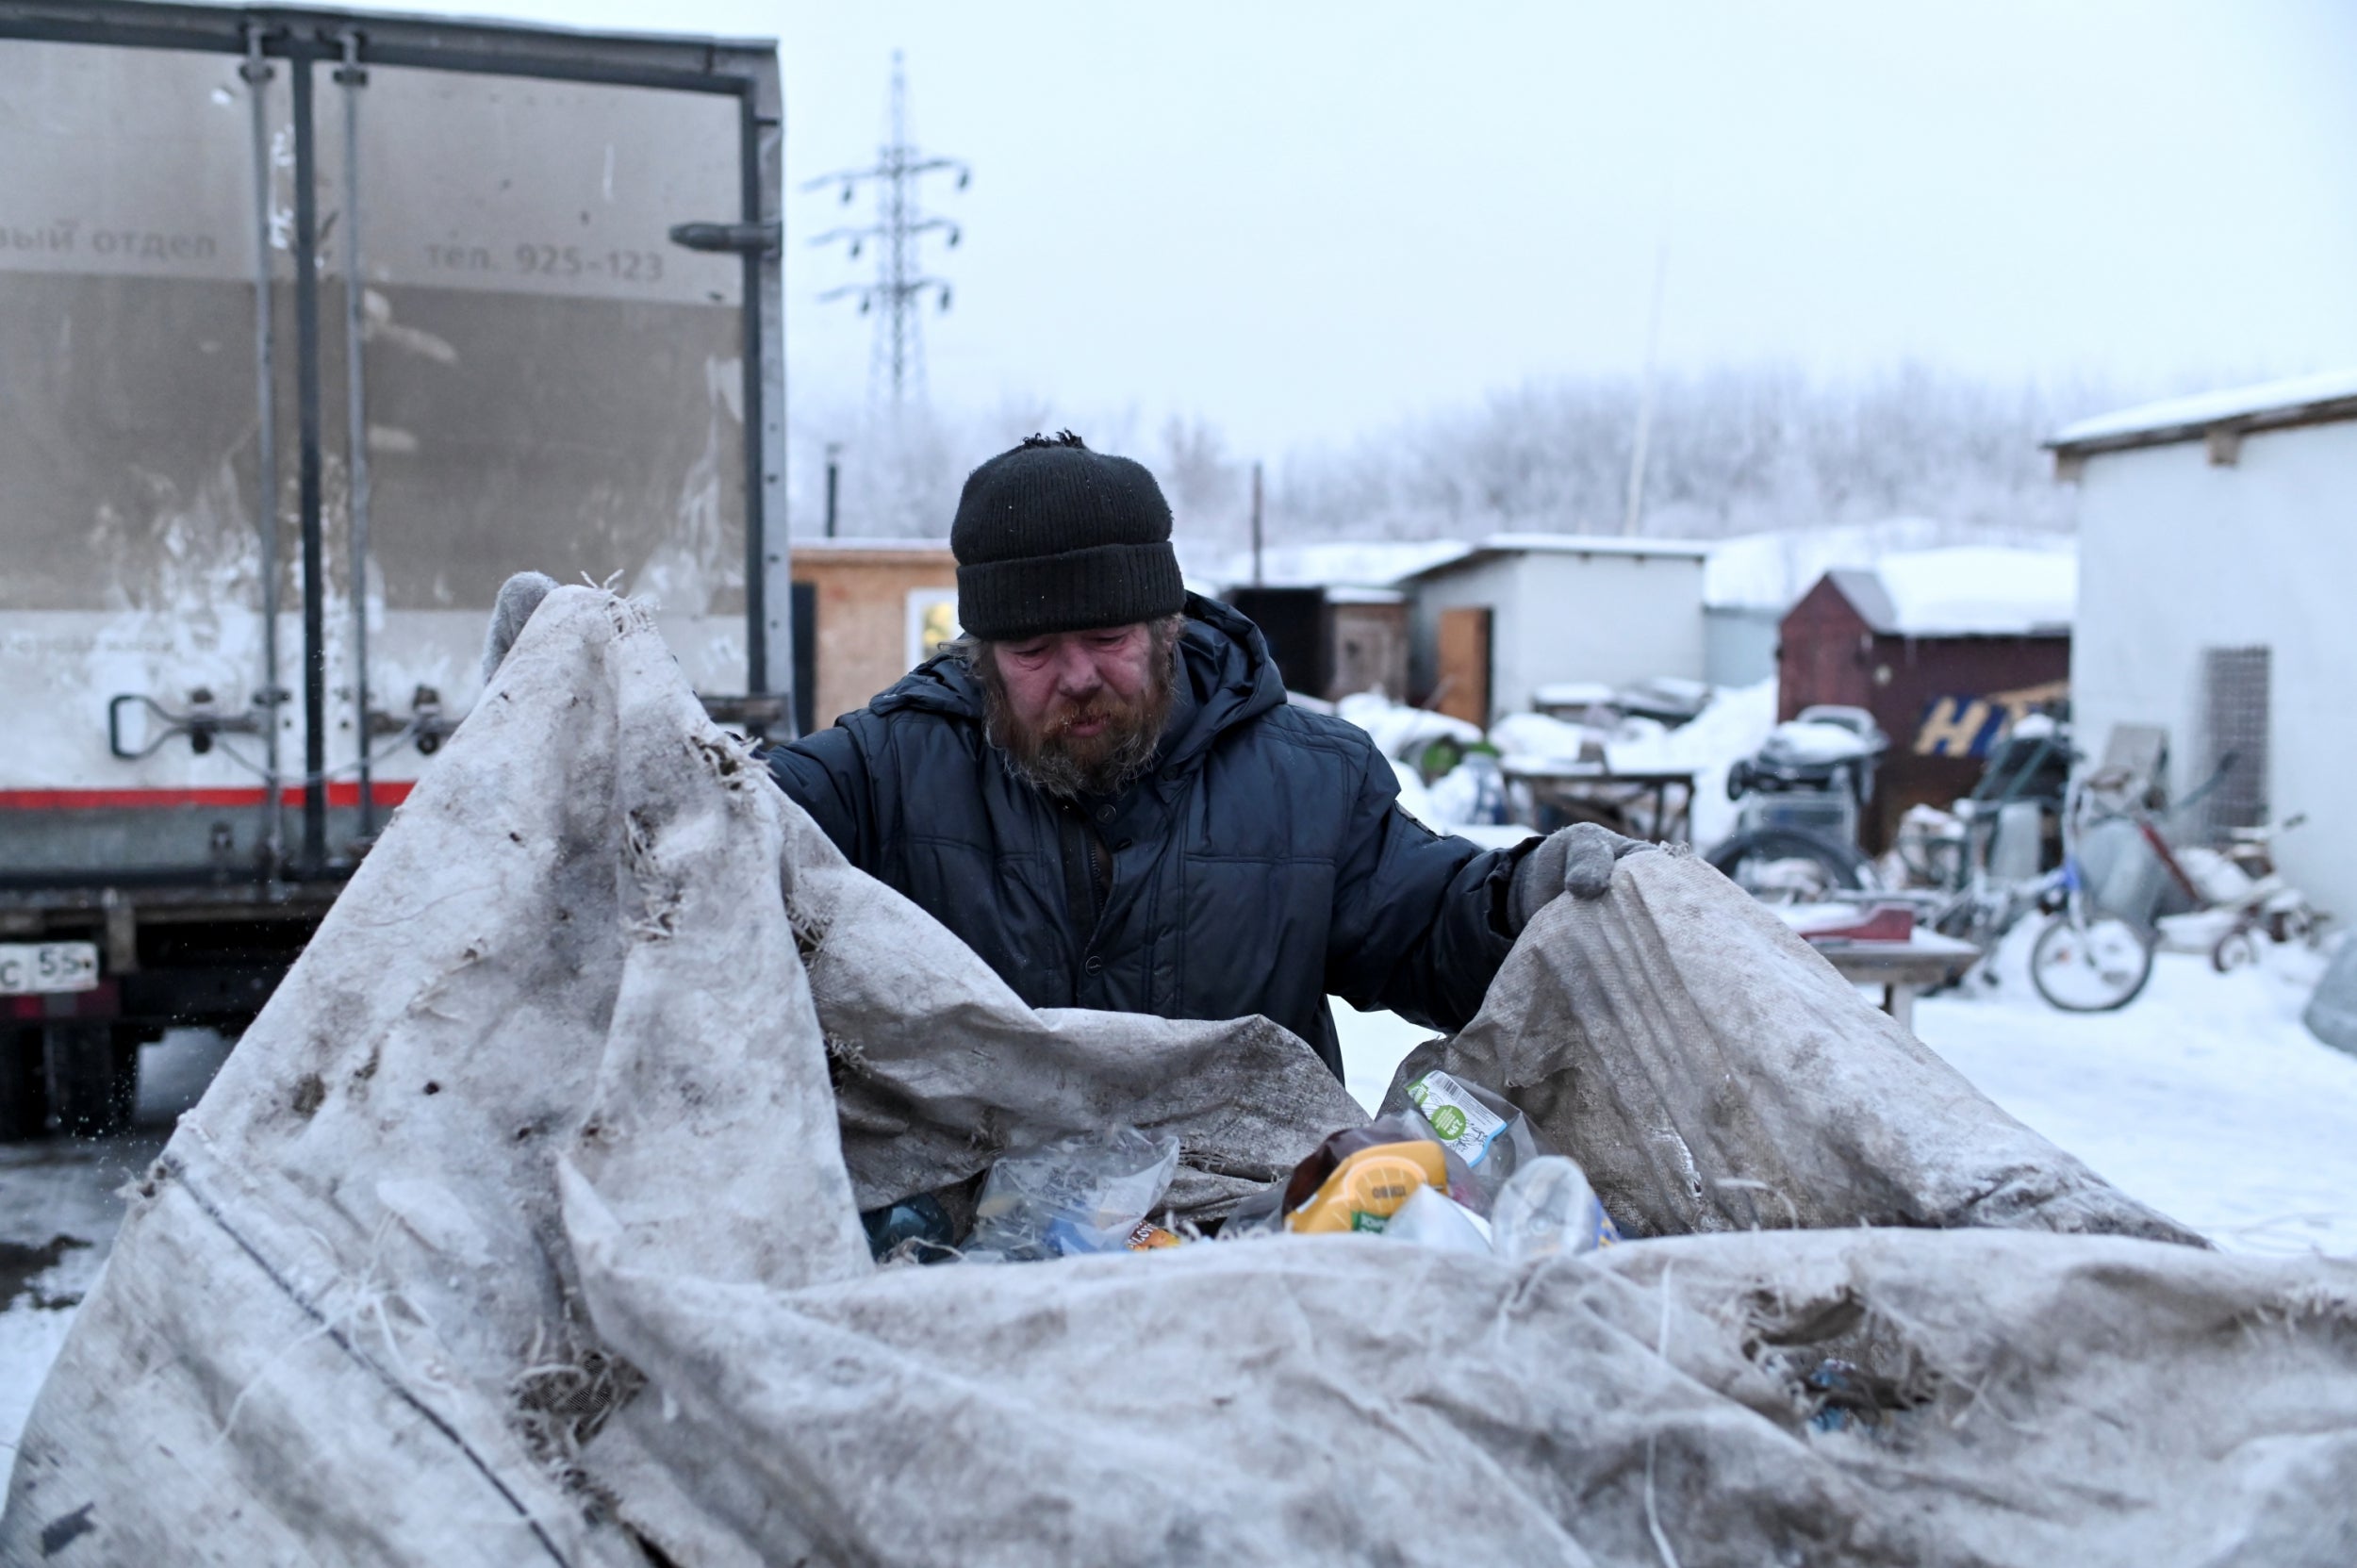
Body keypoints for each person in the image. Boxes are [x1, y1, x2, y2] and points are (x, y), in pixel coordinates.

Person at [485, 432, 1644, 1079]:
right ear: (980, 651)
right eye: (1035, 647)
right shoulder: (887, 772)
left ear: (1166, 627)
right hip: (974, 1253)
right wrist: (582, 731)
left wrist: (1521, 895)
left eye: (1107, 637)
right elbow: (717, 838)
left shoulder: (1311, 782)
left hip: (1253, 1252)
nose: (1079, 675)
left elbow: (1429, 926)